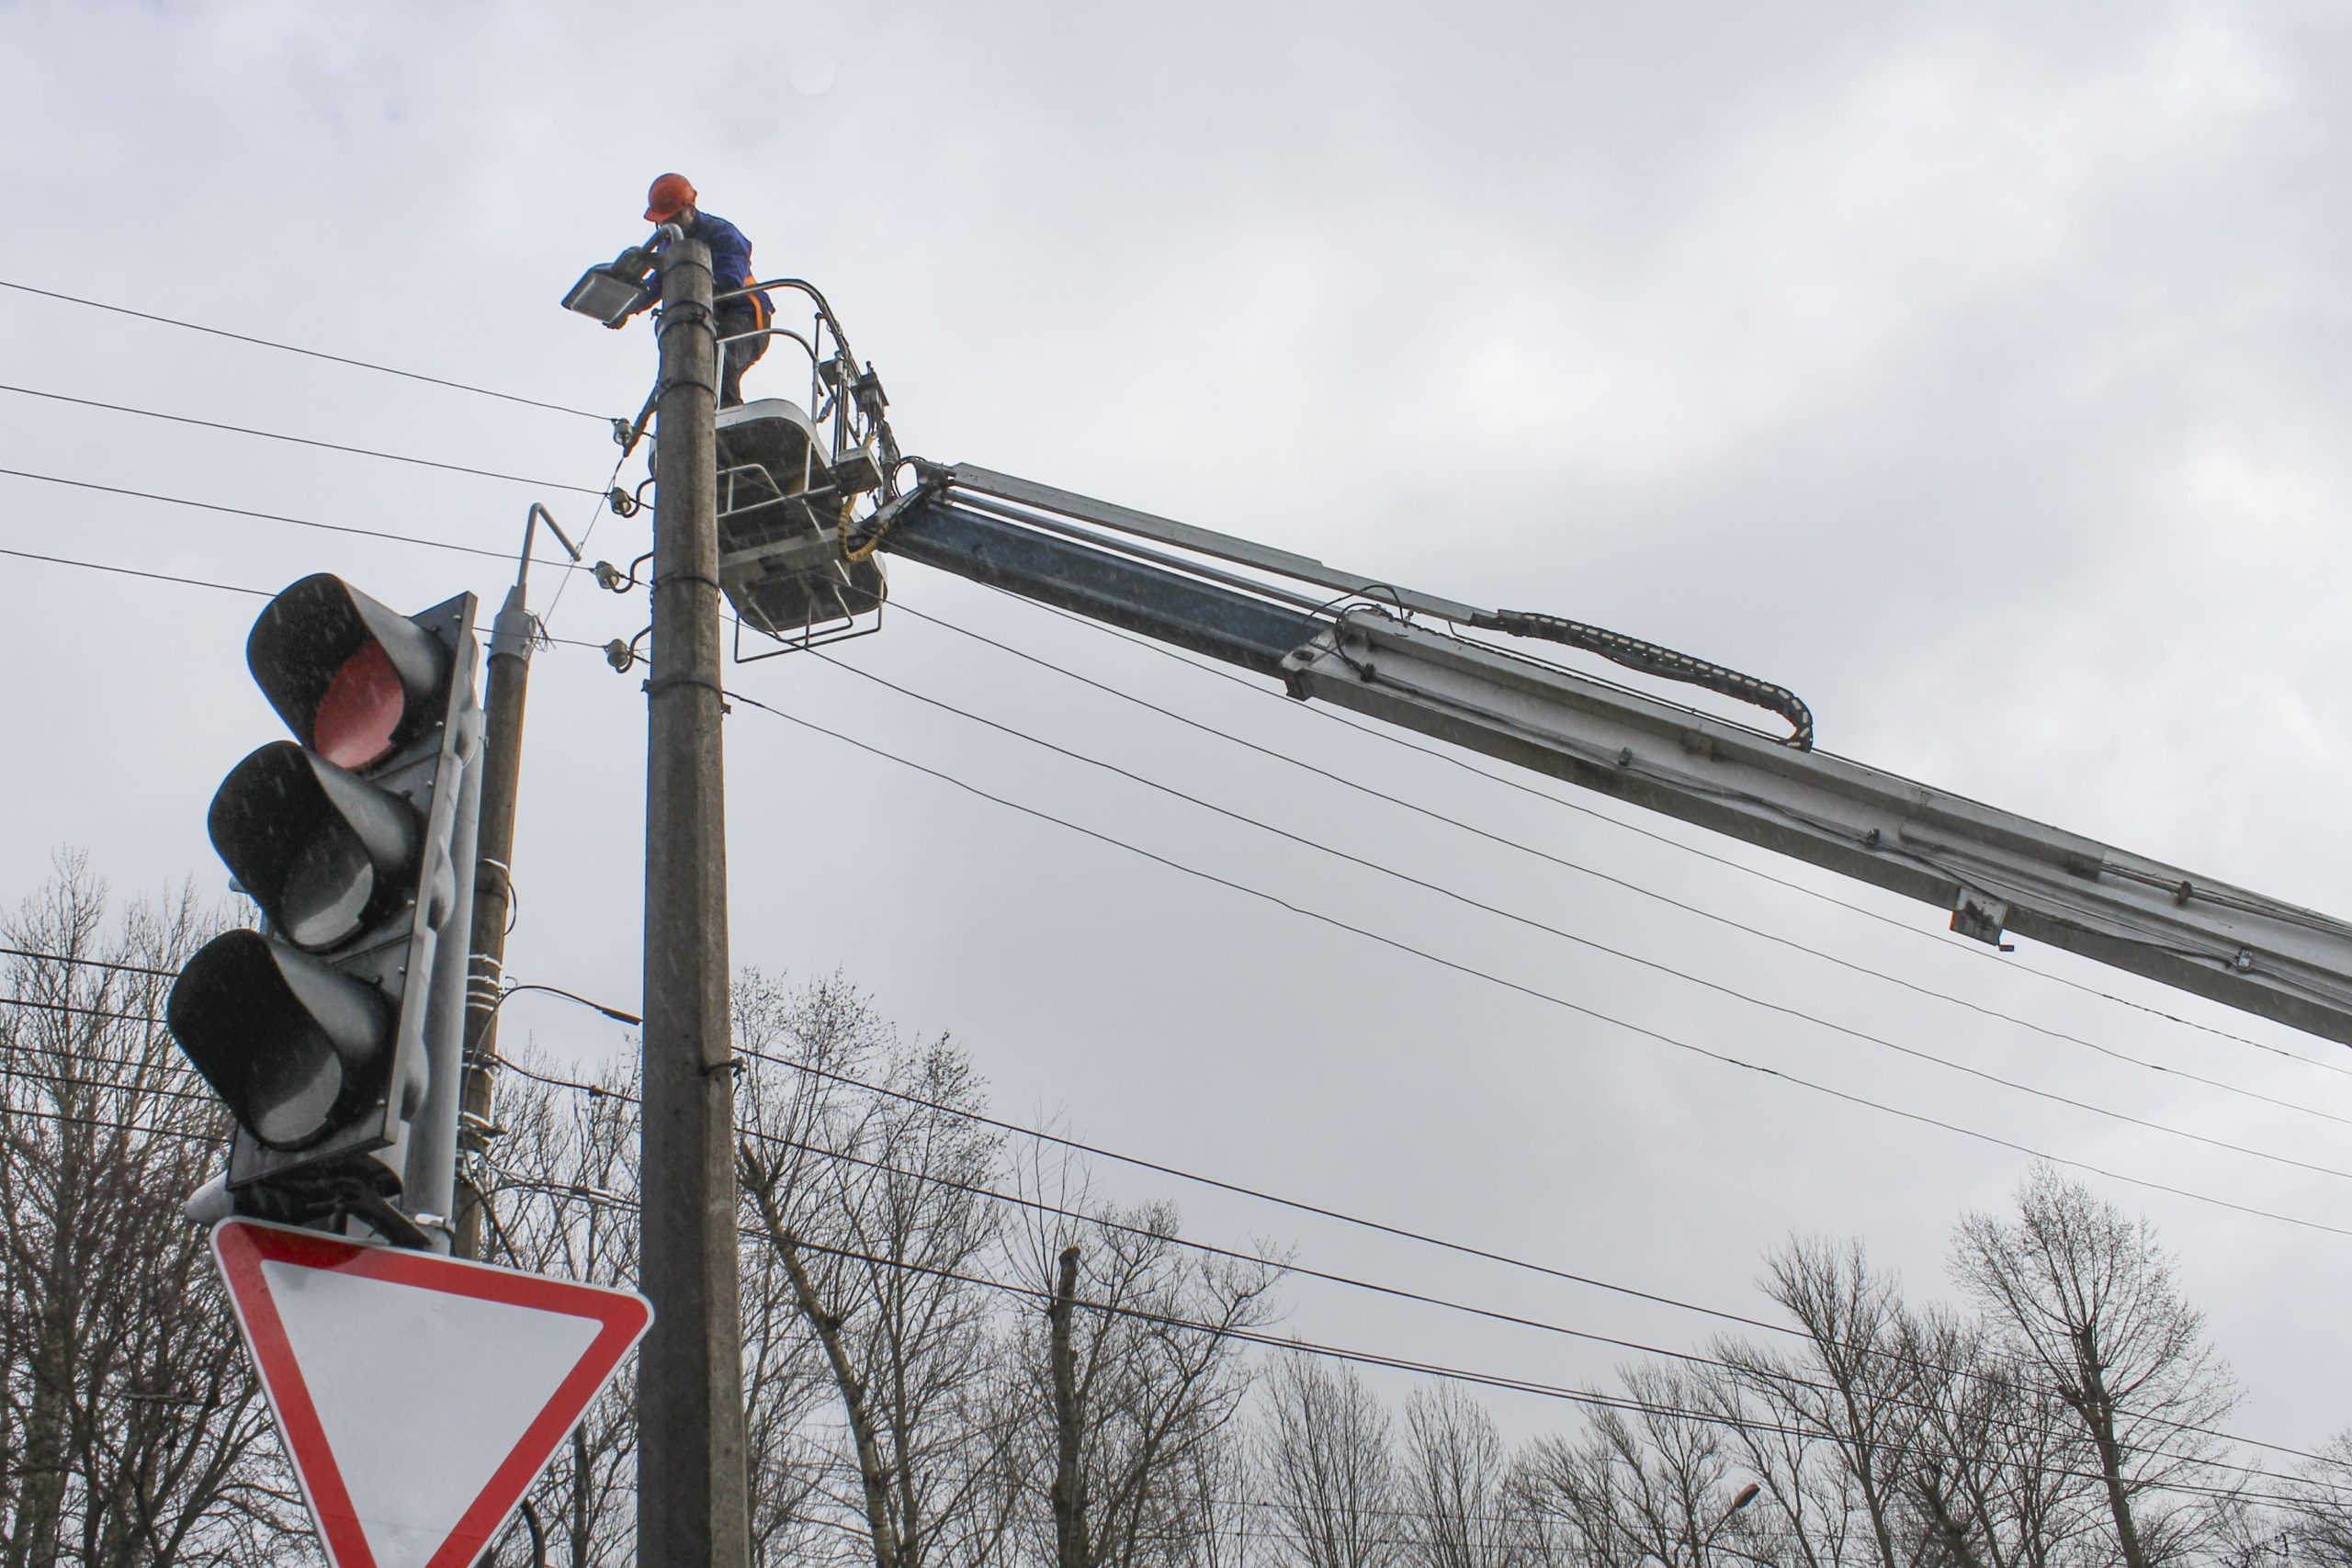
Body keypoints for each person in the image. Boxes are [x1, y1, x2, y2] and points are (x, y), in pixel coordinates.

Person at [617, 173, 775, 407]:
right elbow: (659, 283)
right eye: (664, 221)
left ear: (690, 208)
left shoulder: (722, 234)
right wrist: (627, 307)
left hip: (744, 315)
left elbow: (729, 281)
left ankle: (726, 421)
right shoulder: (670, 243)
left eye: (674, 218)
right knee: (681, 369)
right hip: (707, 316)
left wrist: (692, 281)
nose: (669, 226)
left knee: (721, 362)